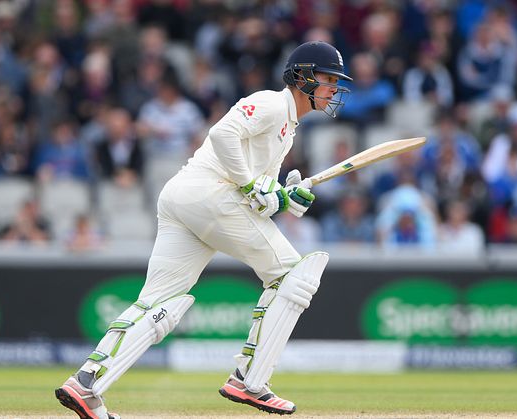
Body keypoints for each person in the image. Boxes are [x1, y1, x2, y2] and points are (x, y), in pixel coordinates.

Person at [55, 41, 352, 419]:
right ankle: (249, 380)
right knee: (293, 274)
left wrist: (284, 196)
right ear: (303, 76)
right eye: (328, 79)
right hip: (209, 196)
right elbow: (221, 136)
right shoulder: (273, 103)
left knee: (159, 302)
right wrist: (250, 185)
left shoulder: (287, 129)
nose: (333, 88)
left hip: (186, 198)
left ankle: (86, 384)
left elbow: (259, 197)